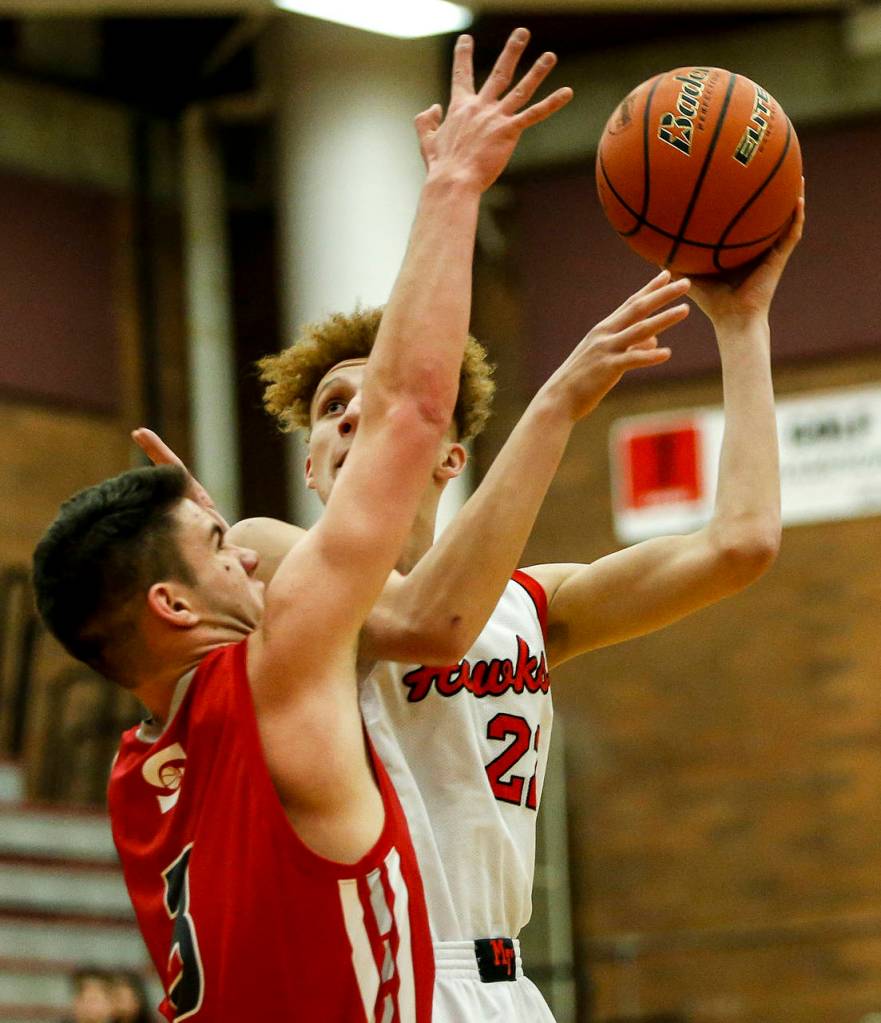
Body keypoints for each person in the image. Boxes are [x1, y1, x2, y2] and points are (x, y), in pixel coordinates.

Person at [32, 28, 573, 1023]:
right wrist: (452, 187)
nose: (241, 545)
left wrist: (189, 526)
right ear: (171, 600)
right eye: (216, 545)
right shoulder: (281, 668)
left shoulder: (135, 782)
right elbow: (410, 412)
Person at [194, 186, 803, 1021]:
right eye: (330, 409)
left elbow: (738, 545)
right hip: (374, 974)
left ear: (448, 456)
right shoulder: (269, 553)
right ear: (309, 467)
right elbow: (428, 623)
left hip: (507, 984)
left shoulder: (527, 602)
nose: (350, 418)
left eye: (375, 396)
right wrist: (554, 402)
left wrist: (742, 328)